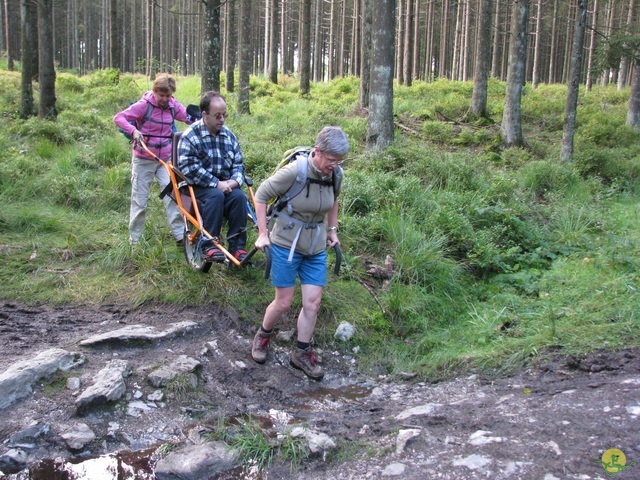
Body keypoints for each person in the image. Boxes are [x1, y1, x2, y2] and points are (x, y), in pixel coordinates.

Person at [251, 126, 349, 380]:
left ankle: (301, 353)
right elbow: (261, 195)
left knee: (312, 303)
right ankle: (263, 335)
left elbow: (334, 200)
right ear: (317, 152)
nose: (335, 165)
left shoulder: (335, 174)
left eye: (339, 161)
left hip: (315, 246)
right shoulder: (295, 171)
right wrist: (263, 233)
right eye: (330, 160)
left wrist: (333, 230)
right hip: (286, 242)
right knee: (283, 302)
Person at [113, 74, 192, 247]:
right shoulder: (143, 106)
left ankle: (180, 236)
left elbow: (188, 118)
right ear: (155, 92)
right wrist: (133, 131)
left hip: (166, 159)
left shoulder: (173, 106)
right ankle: (134, 241)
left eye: (168, 95)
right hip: (143, 159)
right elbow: (119, 118)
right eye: (161, 95)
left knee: (173, 196)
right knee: (139, 201)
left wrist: (203, 119)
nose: (164, 99)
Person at [176, 91, 248, 262]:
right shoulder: (191, 136)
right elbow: (189, 168)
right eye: (217, 116)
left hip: (225, 185)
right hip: (197, 186)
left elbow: (238, 163)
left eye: (224, 115)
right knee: (215, 196)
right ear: (204, 115)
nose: (222, 119)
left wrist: (235, 181)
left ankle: (237, 247)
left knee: (239, 197)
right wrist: (216, 184)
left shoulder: (228, 135)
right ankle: (209, 244)